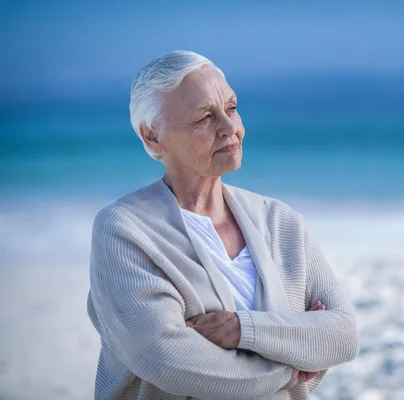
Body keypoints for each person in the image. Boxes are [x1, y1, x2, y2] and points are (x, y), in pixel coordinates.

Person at [86, 50, 359, 400]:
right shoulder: (124, 230)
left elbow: (342, 335)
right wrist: (292, 367)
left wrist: (240, 329)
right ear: (153, 135)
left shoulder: (282, 222)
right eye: (204, 117)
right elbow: (170, 362)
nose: (231, 128)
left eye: (231, 108)